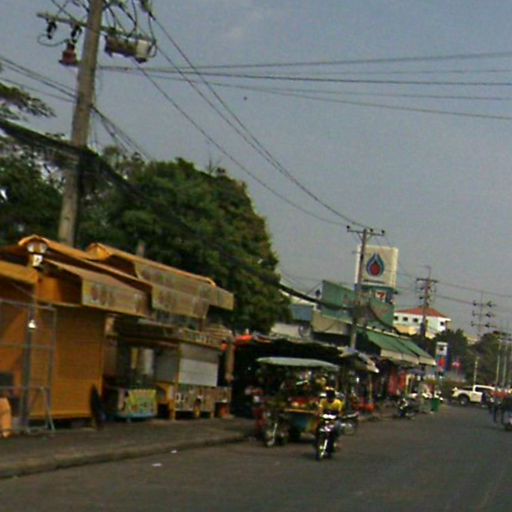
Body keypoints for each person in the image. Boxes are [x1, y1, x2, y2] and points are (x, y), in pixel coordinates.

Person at [317, 387, 344, 452]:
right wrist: (319, 414)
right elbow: (320, 409)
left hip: (334, 420)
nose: (329, 396)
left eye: (331, 395)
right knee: (317, 427)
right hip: (324, 419)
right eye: (328, 395)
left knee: (337, 428)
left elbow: (340, 412)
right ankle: (317, 440)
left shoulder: (338, 403)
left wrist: (338, 416)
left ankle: (335, 441)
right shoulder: (323, 401)